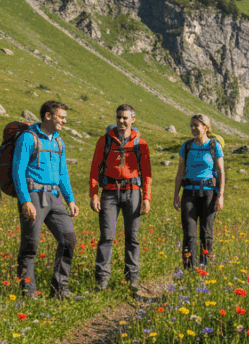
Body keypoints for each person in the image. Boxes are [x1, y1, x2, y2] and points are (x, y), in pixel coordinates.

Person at [14, 100, 79, 298]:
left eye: (65, 118)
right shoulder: (28, 138)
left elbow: (63, 174)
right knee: (30, 245)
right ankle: (28, 293)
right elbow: (17, 171)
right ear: (48, 116)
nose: (64, 121)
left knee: (68, 239)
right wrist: (25, 200)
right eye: (61, 117)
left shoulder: (59, 141)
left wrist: (70, 199)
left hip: (54, 196)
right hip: (33, 194)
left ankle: (59, 289)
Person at [89, 104, 153, 293]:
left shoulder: (140, 143)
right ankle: (102, 281)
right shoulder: (104, 141)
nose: (121, 121)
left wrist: (146, 198)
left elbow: (147, 173)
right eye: (119, 117)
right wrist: (94, 195)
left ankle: (132, 280)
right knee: (106, 237)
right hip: (109, 192)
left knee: (132, 238)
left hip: (133, 192)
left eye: (125, 118)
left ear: (133, 120)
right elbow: (94, 168)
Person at [173, 114, 224, 268]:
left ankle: (205, 269)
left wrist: (220, 196)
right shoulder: (187, 146)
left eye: (196, 125)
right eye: (192, 126)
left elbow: (221, 171)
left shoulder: (215, 146)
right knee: (189, 234)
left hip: (209, 193)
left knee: (206, 234)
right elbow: (180, 171)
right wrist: (176, 195)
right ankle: (188, 271)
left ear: (206, 127)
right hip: (189, 192)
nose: (193, 129)